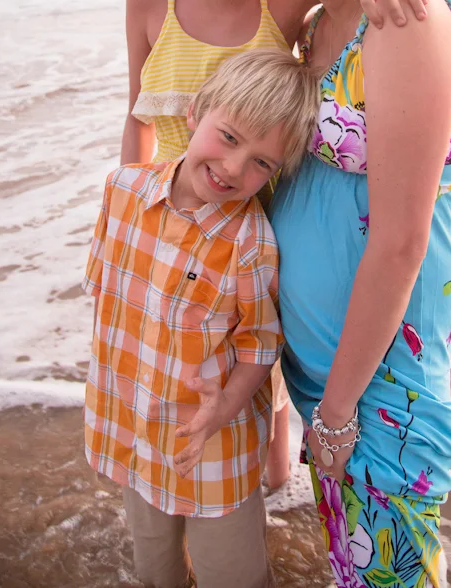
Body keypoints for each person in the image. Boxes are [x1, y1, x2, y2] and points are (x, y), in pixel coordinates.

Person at [120, 0, 451, 491]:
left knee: (260, 427)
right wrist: (132, 211)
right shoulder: (161, 2)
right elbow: (136, 114)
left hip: (262, 252)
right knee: (181, 409)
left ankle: (267, 502)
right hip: (181, 236)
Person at [248, 0, 451, 587]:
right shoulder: (316, 24)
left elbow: (402, 241)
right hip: (325, 371)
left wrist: (339, 409)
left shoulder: (402, 14)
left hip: (376, 382)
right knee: (358, 569)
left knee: (396, 573)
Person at [83, 49, 319, 588]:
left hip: (214, 447)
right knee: (155, 566)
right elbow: (105, 295)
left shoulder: (251, 243)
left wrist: (224, 408)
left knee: (231, 573)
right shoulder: (122, 191)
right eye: (229, 137)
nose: (234, 168)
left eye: (262, 163)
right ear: (195, 112)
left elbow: (260, 346)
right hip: (134, 423)